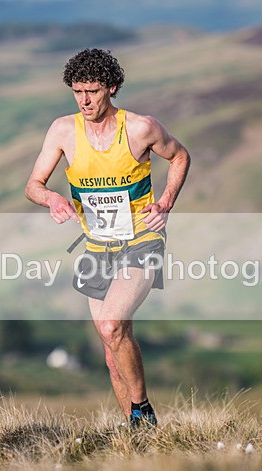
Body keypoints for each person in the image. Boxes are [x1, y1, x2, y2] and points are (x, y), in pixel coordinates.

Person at [25, 48, 190, 427]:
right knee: (111, 352)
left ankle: (142, 411)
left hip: (141, 242)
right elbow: (33, 184)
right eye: (77, 91)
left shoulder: (140, 128)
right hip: (96, 246)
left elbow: (180, 157)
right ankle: (139, 438)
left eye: (93, 91)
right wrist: (51, 198)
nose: (84, 100)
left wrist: (165, 202)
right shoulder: (63, 131)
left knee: (110, 326)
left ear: (111, 88)